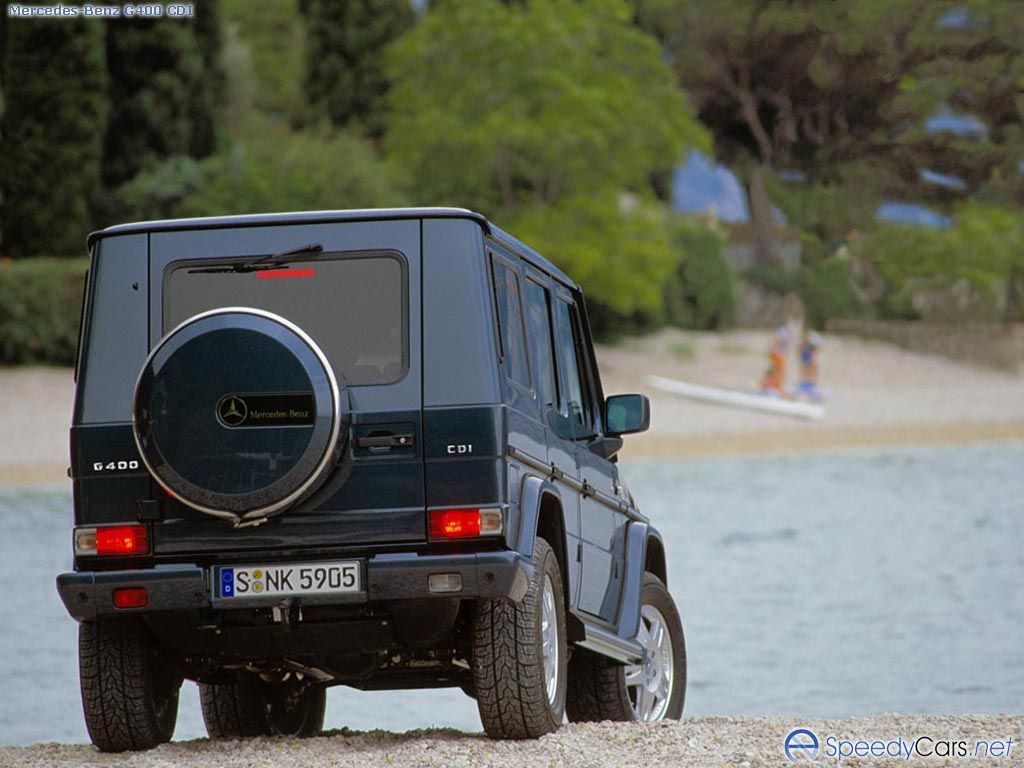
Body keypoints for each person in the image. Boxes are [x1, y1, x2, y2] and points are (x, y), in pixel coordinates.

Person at [760, 326, 790, 395]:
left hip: (777, 368)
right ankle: (773, 386)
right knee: (775, 372)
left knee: (777, 372)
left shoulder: (779, 351)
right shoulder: (776, 351)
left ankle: (776, 387)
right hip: (775, 368)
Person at [795, 330, 823, 401]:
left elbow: (816, 348)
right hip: (807, 356)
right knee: (807, 369)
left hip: (810, 356)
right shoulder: (806, 348)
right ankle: (806, 385)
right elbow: (799, 350)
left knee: (810, 370)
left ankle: (808, 385)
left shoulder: (812, 352)